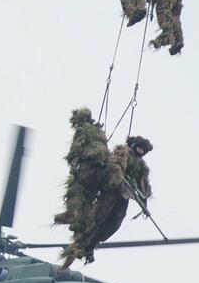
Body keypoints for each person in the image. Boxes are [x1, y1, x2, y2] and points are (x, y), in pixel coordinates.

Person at [62, 136, 153, 266]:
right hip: (111, 192)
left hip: (124, 197)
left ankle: (92, 245)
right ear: (134, 145)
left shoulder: (142, 167)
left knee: (114, 223)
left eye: (143, 150)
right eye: (140, 148)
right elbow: (114, 166)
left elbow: (143, 185)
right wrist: (120, 177)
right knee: (98, 219)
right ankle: (81, 244)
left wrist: (144, 200)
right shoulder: (124, 152)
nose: (141, 151)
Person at [54, 108, 109, 240]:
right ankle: (83, 228)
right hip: (100, 171)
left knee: (75, 192)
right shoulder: (100, 132)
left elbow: (77, 147)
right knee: (89, 200)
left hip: (87, 169)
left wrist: (73, 164)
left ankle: (74, 219)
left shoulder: (82, 129)